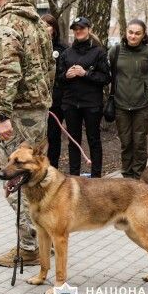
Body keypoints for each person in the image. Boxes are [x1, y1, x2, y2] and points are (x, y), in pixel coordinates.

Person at [0, 0, 54, 268]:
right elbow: (50, 66)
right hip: (38, 111)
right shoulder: (38, 23)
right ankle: (44, 239)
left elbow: (8, 72)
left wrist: (2, 114)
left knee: (15, 179)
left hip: (18, 113)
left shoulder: (7, 25)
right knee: (38, 178)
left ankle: (29, 247)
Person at [58, 17, 111, 177]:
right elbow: (58, 80)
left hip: (91, 104)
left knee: (94, 140)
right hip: (71, 104)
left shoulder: (98, 52)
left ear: (89, 29)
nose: (79, 31)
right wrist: (66, 75)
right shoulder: (66, 53)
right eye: (76, 29)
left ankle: (96, 176)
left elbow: (106, 78)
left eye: (82, 28)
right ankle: (74, 176)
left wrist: (85, 73)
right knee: (74, 142)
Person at [110, 19, 148, 179]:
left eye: (137, 33)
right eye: (130, 32)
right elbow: (111, 75)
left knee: (139, 143)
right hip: (120, 105)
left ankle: (139, 179)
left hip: (142, 107)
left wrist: (143, 91)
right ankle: (127, 178)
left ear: (143, 35)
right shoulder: (115, 51)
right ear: (126, 32)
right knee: (126, 143)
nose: (133, 36)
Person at [41, 14, 67, 169]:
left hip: (56, 100)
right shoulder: (32, 47)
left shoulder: (63, 50)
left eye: (48, 25)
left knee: (53, 136)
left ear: (54, 29)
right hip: (37, 100)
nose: (45, 27)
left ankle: (53, 168)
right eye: (42, 24)